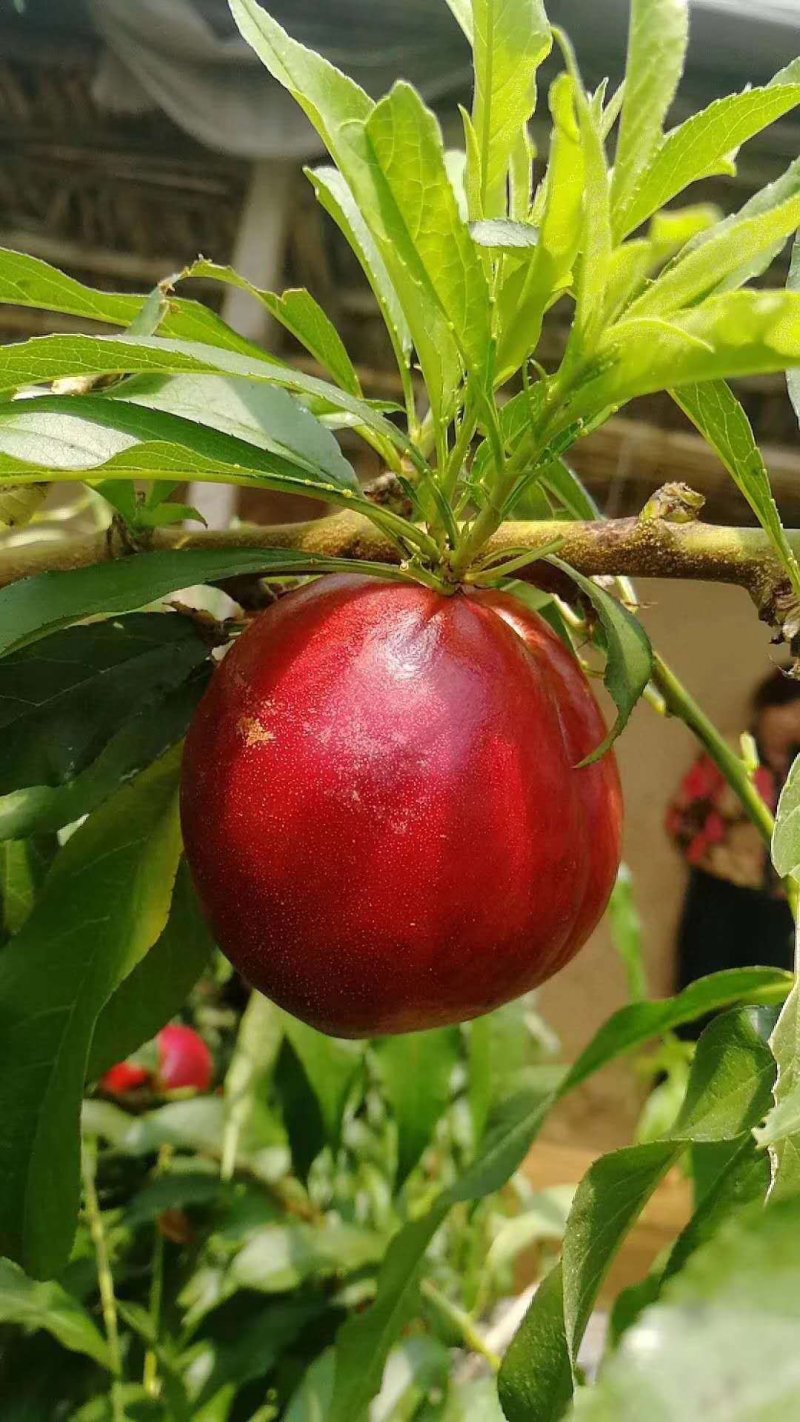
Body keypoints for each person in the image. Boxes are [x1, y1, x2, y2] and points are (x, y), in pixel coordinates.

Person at [666, 668, 800, 1009]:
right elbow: (682, 817)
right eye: (785, 707)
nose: (790, 720)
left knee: (764, 995)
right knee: (702, 985)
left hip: (777, 900)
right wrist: (713, 860)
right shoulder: (729, 752)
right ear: (765, 707)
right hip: (721, 891)